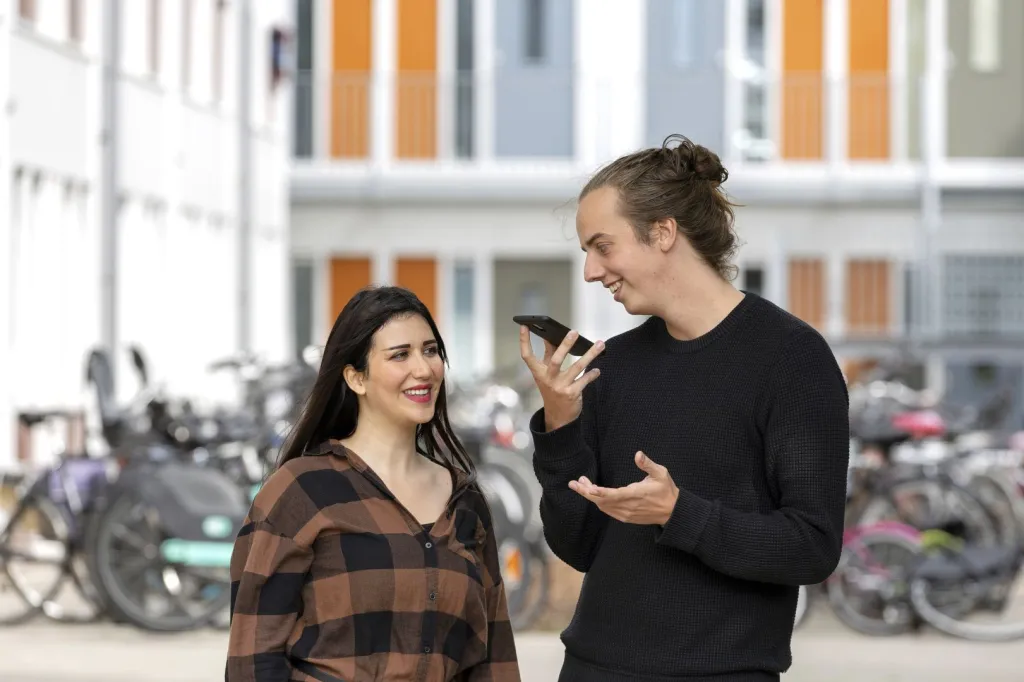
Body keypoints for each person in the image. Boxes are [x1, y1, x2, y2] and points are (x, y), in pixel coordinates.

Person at [520, 134, 850, 682]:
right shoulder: (614, 366)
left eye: (603, 246)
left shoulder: (792, 359)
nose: (591, 272)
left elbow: (811, 547)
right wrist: (560, 423)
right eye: (586, 253)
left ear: (663, 231)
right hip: (592, 669)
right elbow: (576, 546)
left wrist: (680, 513)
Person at [226, 285, 520, 682]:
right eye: (400, 354)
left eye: (430, 350)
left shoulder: (465, 502)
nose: (424, 369)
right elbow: (253, 661)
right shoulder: (301, 492)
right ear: (356, 378)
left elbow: (494, 660)